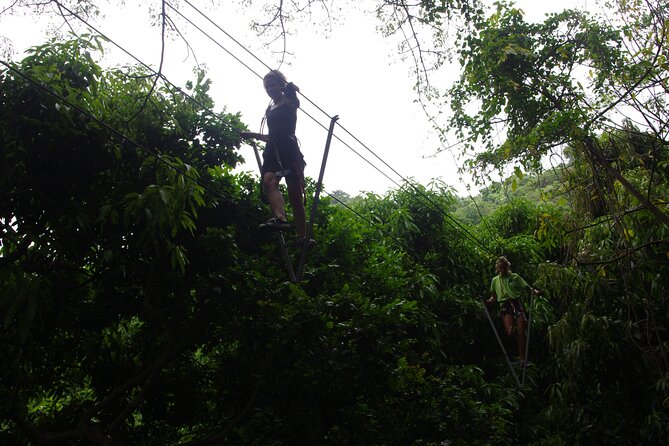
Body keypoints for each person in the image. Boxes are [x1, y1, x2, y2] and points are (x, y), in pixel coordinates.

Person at [241, 70, 312, 246]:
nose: (270, 89)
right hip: (273, 148)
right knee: (269, 181)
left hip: (288, 148)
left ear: (280, 85)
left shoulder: (289, 100)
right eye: (267, 86)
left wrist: (287, 86)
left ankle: (302, 237)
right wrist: (253, 135)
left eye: (273, 84)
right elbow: (270, 135)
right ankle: (280, 218)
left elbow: (295, 96)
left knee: (295, 194)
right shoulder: (269, 109)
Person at [485, 256, 540, 363]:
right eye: (500, 268)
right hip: (505, 305)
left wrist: (536, 292)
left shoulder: (515, 277)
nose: (503, 270)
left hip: (516, 303)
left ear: (508, 267)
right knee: (510, 332)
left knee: (521, 332)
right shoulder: (495, 280)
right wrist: (487, 302)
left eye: (504, 268)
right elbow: (493, 297)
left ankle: (523, 359)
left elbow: (528, 288)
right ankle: (515, 345)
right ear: (498, 268)